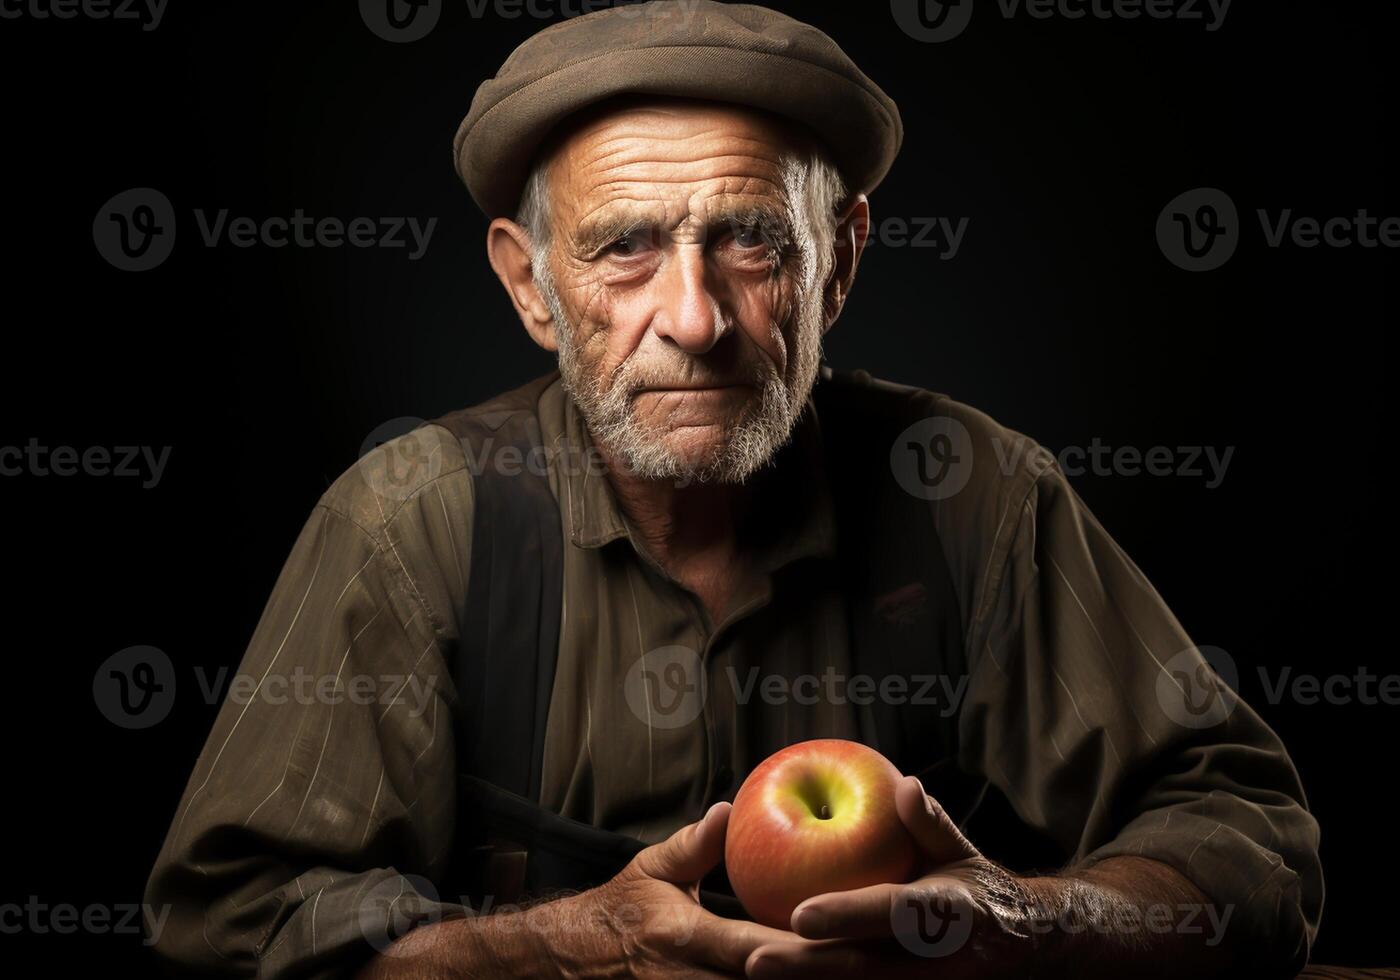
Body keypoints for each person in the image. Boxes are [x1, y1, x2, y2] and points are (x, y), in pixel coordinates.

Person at [145, 3, 1322, 976]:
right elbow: (226, 921)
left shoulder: (969, 496)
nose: (694, 319)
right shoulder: (409, 524)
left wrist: (1024, 922)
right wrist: (558, 948)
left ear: (840, 262)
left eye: (751, 242)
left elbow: (1248, 845)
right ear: (530, 284)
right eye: (624, 247)